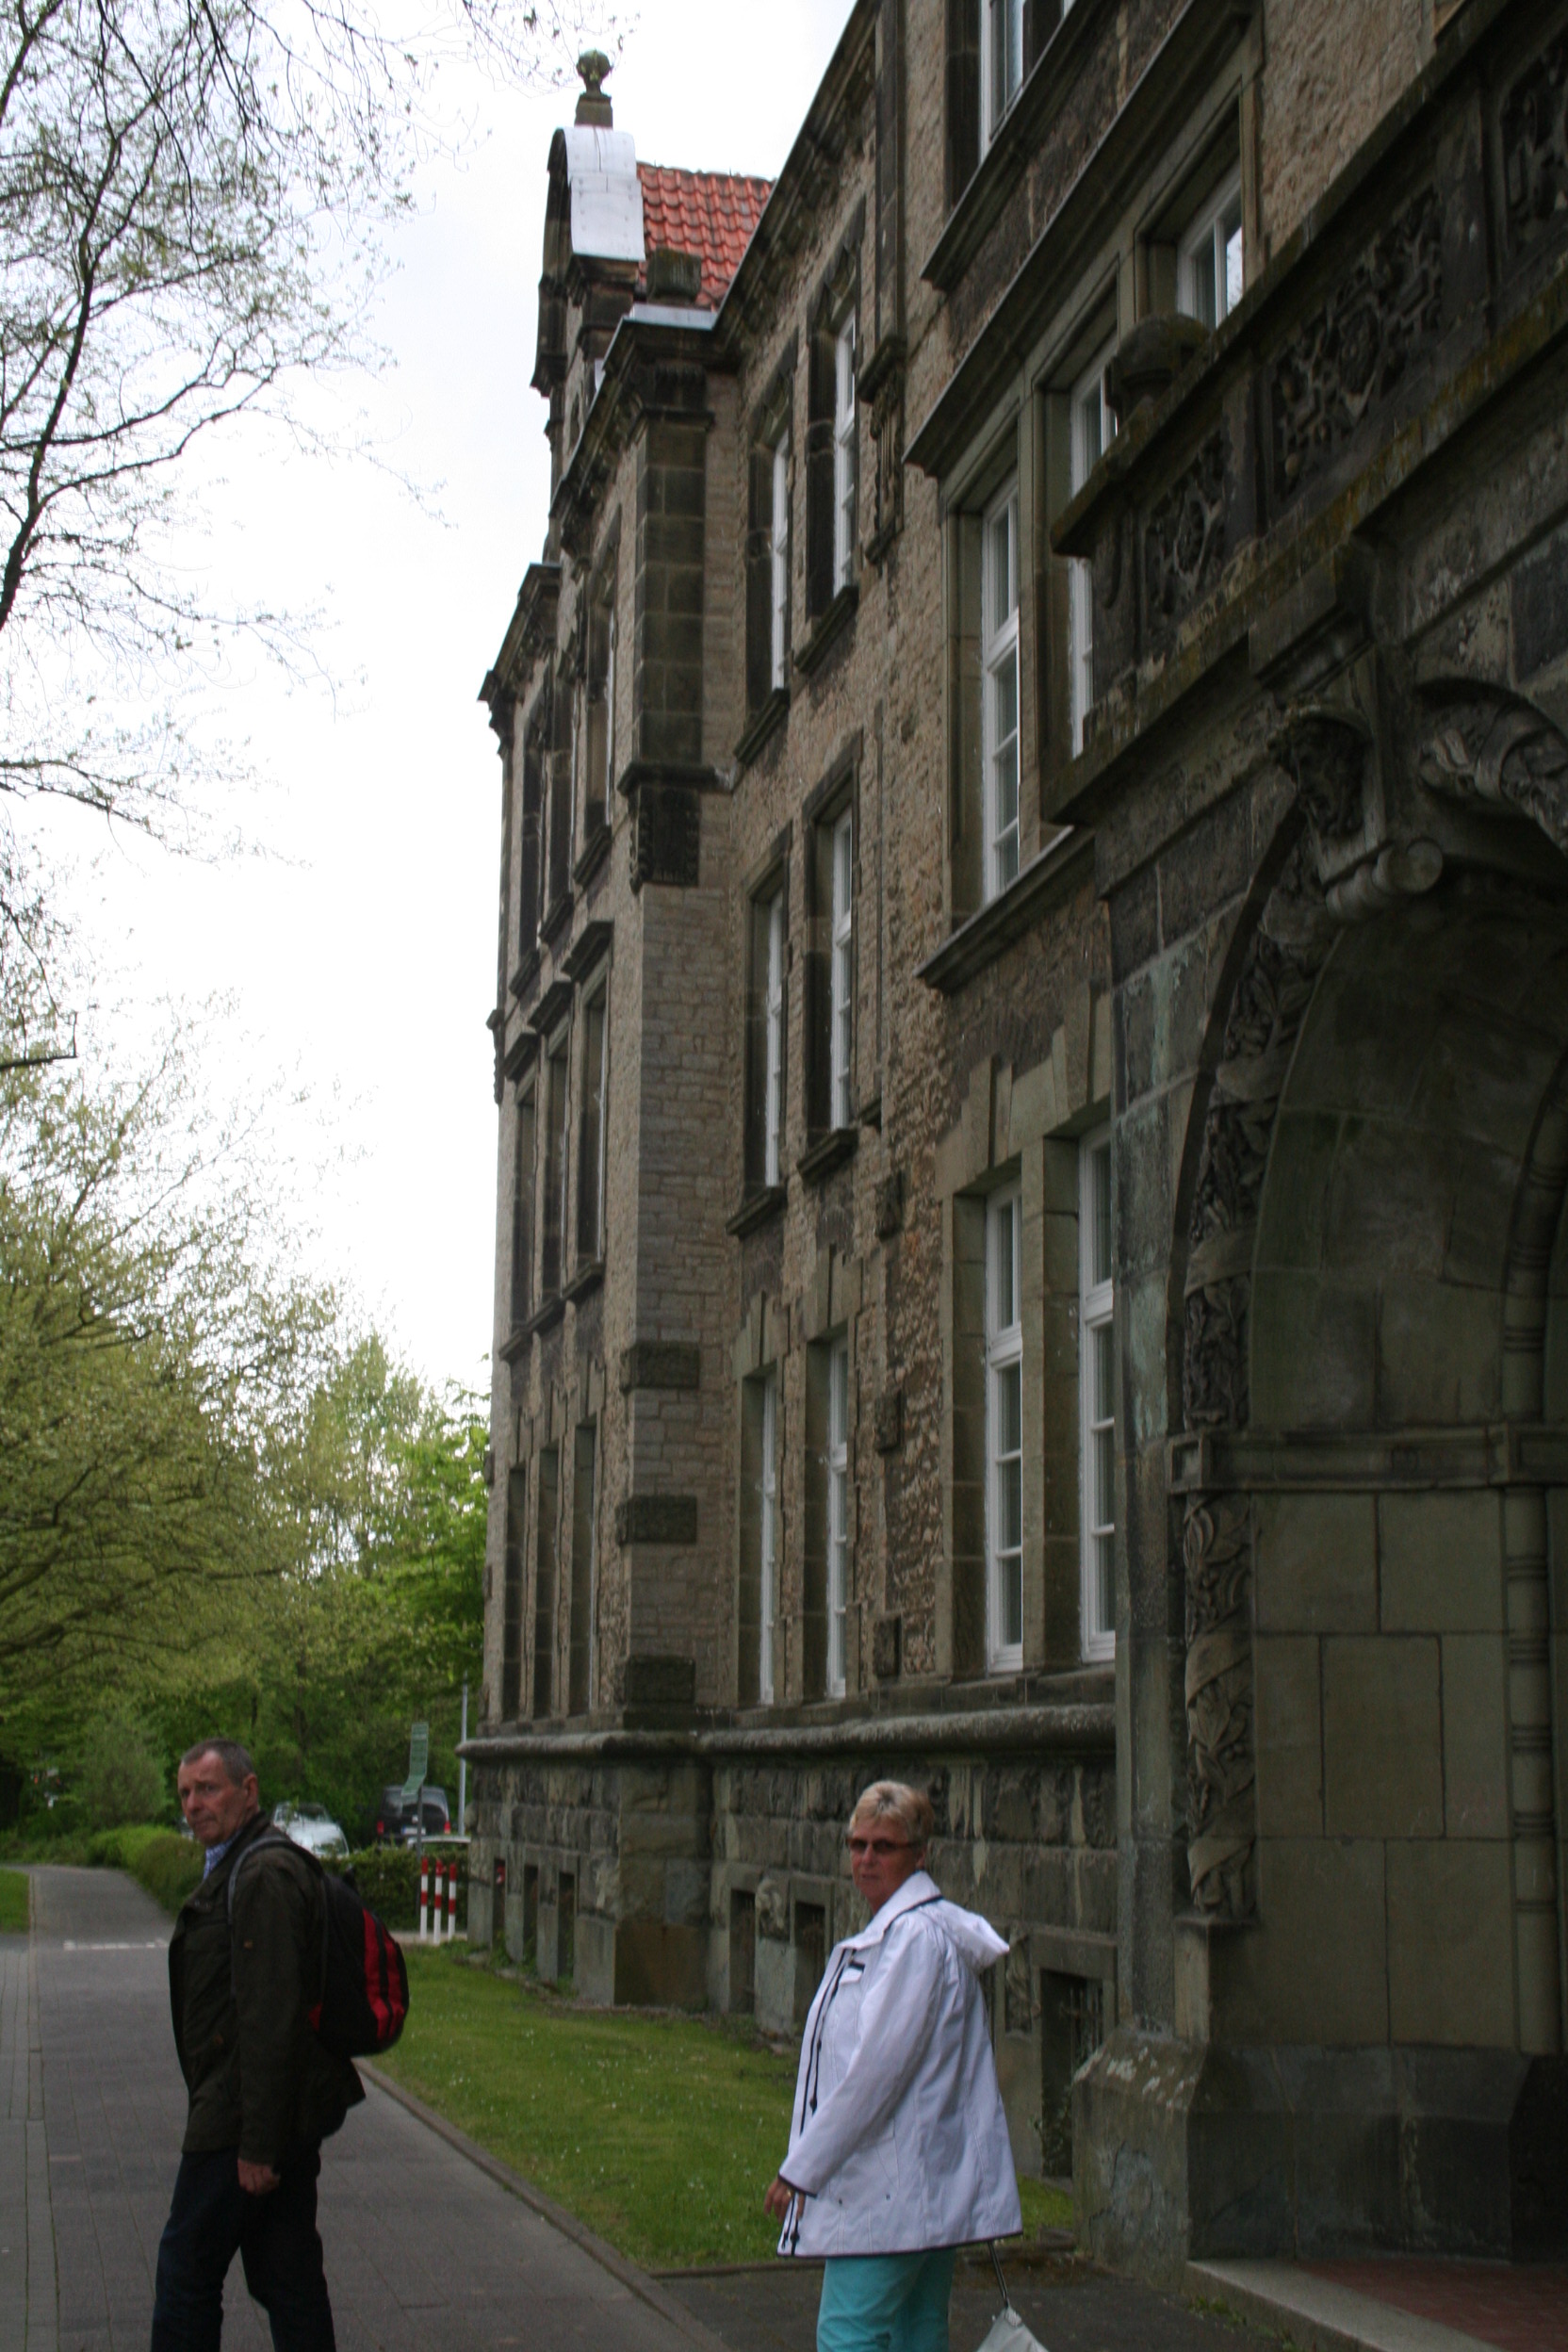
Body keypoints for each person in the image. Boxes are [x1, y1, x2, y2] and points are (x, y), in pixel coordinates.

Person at [763, 1779, 1021, 2352]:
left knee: (847, 2334)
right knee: (915, 2333)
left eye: (884, 1846)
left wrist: (802, 2169)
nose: (867, 1859)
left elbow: (874, 2077)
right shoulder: (912, 1933)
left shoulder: (914, 1943)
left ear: (920, 1854)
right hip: (919, 2184)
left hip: (890, 2190)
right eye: (858, 1845)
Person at [151, 1740, 363, 2352]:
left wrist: (259, 2145)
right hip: (270, 2113)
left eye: (208, 1789)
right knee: (287, 2278)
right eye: (185, 1793)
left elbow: (271, 2018)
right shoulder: (238, 1864)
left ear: (248, 1791)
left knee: (186, 2272)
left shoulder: (263, 1875)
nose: (193, 1805)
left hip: (241, 2117)